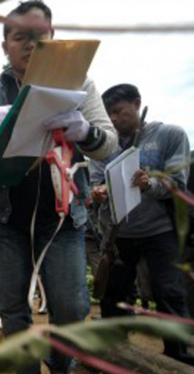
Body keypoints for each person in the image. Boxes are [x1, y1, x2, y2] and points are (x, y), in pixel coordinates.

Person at [0, 2, 118, 373]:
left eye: (39, 37)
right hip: (7, 220)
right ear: (5, 45)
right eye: (20, 37)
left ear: (53, 37)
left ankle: (60, 365)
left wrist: (85, 131)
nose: (29, 45)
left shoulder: (81, 86)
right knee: (12, 309)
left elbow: (109, 143)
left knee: (71, 307)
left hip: (62, 219)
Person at [89, 83, 193, 365]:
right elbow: (94, 181)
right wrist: (97, 192)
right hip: (120, 233)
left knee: (169, 291)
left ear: (137, 103)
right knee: (114, 294)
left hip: (161, 231)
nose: (112, 119)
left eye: (118, 111)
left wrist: (151, 183)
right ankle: (115, 352)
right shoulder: (104, 146)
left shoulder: (169, 135)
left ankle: (179, 357)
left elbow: (178, 184)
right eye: (107, 114)